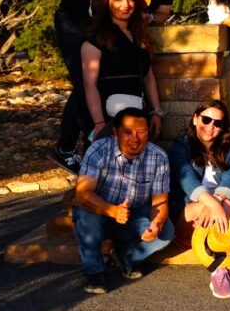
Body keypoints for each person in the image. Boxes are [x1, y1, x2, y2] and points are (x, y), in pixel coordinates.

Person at [50, 0, 180, 174]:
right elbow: (105, 10)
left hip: (110, 23)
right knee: (85, 79)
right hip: (76, 16)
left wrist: (147, 18)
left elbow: (163, 12)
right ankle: (82, 146)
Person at [72, 107, 174, 295]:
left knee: (166, 231)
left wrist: (156, 223)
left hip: (134, 214)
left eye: (141, 132)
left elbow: (160, 201)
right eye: (127, 132)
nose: (135, 138)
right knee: (86, 214)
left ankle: (127, 258)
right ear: (115, 132)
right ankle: (94, 273)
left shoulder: (158, 157)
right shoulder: (98, 150)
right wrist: (112, 210)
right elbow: (82, 194)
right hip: (100, 211)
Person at [168, 100, 230, 298]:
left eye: (217, 123)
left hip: (219, 210)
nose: (211, 127)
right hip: (189, 215)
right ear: (196, 119)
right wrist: (212, 204)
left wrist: (217, 202)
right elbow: (186, 179)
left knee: (228, 203)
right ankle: (218, 269)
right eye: (206, 119)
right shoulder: (181, 147)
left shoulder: (228, 148)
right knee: (203, 209)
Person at [81, 0, 163, 143]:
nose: (126, 5)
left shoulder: (140, 38)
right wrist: (99, 123)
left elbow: (148, 78)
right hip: (109, 119)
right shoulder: (94, 42)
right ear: (106, 1)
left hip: (139, 118)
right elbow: (90, 85)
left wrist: (156, 112)